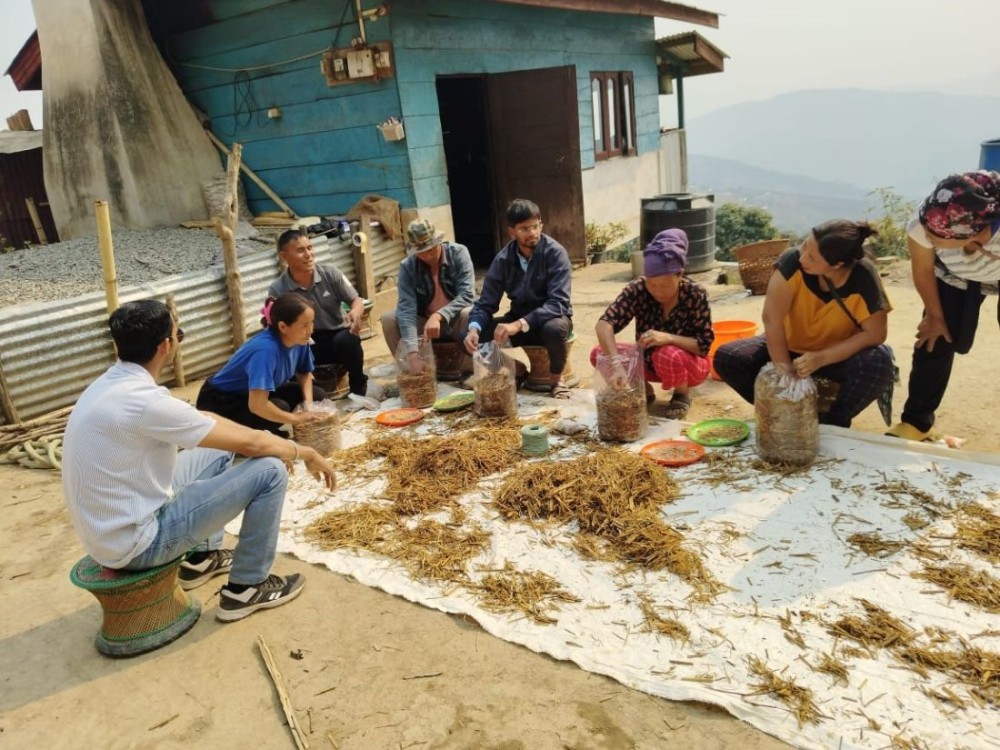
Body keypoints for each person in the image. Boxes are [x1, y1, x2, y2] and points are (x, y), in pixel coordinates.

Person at [62, 299, 336, 622]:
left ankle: (203, 558)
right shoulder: (145, 402)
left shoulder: (111, 384)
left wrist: (269, 442)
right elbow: (250, 439)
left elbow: (204, 418)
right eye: (178, 334)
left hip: (107, 534)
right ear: (166, 346)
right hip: (138, 545)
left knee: (222, 449)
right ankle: (247, 588)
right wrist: (303, 451)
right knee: (271, 470)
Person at [714, 220, 895, 428]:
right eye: (805, 247)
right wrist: (785, 372)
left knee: (879, 362)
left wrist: (821, 358)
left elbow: (875, 334)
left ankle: (832, 421)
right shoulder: (792, 262)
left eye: (812, 257)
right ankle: (778, 409)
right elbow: (772, 319)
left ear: (836, 265)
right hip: (790, 348)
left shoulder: (863, 276)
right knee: (728, 358)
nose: (802, 258)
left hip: (836, 356)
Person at [887, 171, 1000, 441]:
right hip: (954, 275)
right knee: (934, 338)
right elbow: (923, 270)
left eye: (935, 236)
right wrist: (935, 316)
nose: (925, 235)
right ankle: (917, 422)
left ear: (976, 234)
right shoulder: (925, 221)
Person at [592, 229, 713, 420]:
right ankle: (643, 390)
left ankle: (681, 394)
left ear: (680, 274)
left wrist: (668, 338)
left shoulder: (695, 294)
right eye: (652, 285)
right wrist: (616, 365)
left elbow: (703, 346)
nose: (657, 292)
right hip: (647, 362)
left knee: (667, 353)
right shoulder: (638, 289)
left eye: (663, 286)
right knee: (600, 353)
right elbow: (604, 325)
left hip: (689, 365)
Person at [462, 199, 574, 398]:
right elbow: (486, 303)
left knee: (554, 329)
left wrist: (520, 324)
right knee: (468, 338)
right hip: (517, 318)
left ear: (541, 225)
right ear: (512, 232)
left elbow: (559, 303)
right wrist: (473, 329)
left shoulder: (555, 254)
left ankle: (557, 379)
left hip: (551, 319)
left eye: (535, 226)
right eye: (524, 229)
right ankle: (517, 369)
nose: (532, 233)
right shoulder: (503, 259)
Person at [196, 293, 326, 434]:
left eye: (312, 322)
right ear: (283, 327)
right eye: (304, 325)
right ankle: (250, 435)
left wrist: (309, 405)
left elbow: (304, 372)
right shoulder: (265, 350)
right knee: (280, 407)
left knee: (317, 395)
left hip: (256, 394)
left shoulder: (300, 340)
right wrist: (296, 419)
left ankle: (264, 429)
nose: (311, 330)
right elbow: (257, 405)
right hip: (222, 402)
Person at [269, 228, 368, 396]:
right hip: (305, 342)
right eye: (300, 250)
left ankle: (358, 388)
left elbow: (356, 300)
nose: (308, 254)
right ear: (284, 257)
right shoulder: (278, 289)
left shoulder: (330, 273)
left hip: (337, 335)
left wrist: (355, 312)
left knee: (348, 339)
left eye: (309, 248)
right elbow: (278, 327)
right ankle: (309, 396)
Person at [380, 217, 475, 375]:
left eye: (431, 248)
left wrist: (439, 315)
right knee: (389, 319)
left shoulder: (458, 253)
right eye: (422, 252)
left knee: (471, 313)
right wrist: (412, 353)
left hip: (455, 320)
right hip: (424, 324)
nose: (429, 255)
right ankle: (412, 372)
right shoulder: (408, 266)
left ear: (438, 241)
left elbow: (467, 294)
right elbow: (406, 309)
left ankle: (467, 371)